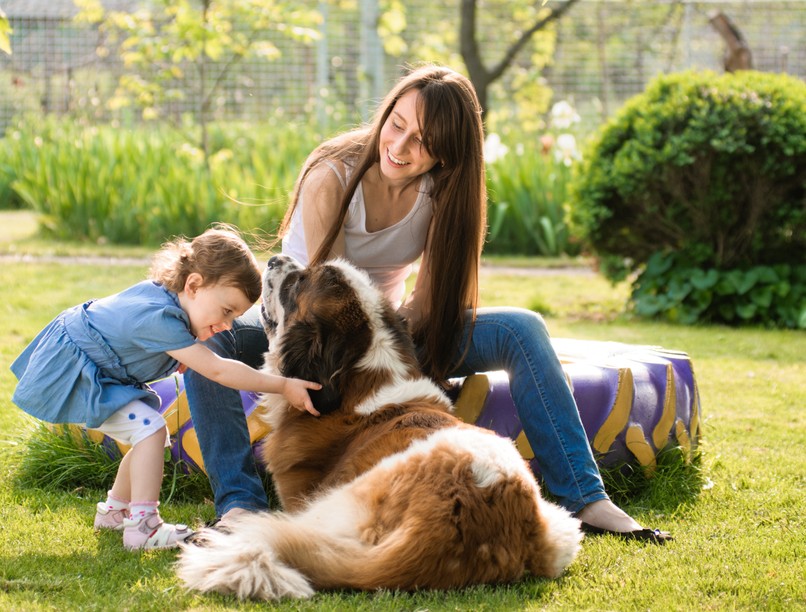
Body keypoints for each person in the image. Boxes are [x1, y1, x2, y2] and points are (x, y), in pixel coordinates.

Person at [185, 65, 671, 542]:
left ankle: (586, 499)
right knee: (210, 353)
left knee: (521, 328)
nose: (400, 147)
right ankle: (240, 507)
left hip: (389, 330)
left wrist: (396, 354)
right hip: (303, 323)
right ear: (386, 113)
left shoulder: (444, 191)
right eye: (397, 124)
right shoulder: (331, 175)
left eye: (423, 141)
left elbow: (429, 301)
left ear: (448, 151)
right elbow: (327, 301)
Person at [10, 226, 321, 551]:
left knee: (150, 432)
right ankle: (144, 526)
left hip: (98, 370)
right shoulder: (160, 318)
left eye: (236, 316)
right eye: (226, 311)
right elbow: (217, 369)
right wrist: (283, 384)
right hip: (78, 372)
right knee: (150, 430)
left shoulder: (170, 302)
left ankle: (115, 512)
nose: (228, 325)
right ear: (194, 285)